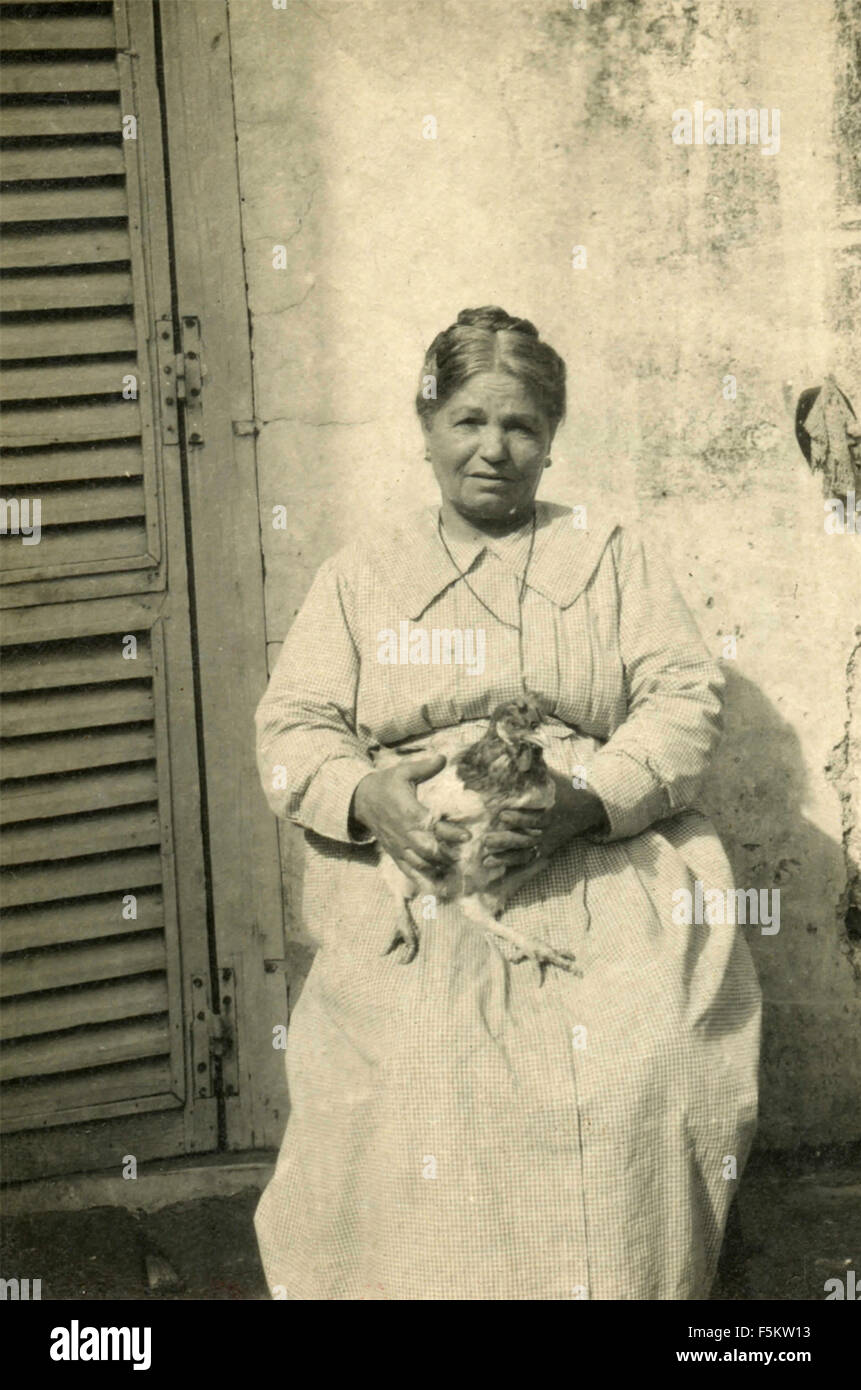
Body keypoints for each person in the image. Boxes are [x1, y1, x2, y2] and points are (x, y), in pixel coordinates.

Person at [254, 306, 761, 1300]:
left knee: (639, 1065)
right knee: (418, 1074)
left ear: (551, 437)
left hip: (599, 858)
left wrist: (587, 798)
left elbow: (681, 702)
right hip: (423, 869)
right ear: (428, 423)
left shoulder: (612, 554)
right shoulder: (362, 573)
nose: (494, 449)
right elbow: (291, 726)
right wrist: (366, 793)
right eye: (470, 421)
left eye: (521, 425)